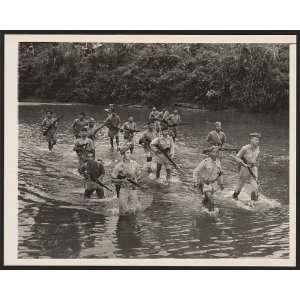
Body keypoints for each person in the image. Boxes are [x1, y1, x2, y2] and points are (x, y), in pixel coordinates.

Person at [111, 144, 142, 215]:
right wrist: (121, 180)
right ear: (123, 155)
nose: (129, 154)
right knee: (123, 212)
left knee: (133, 212)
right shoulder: (118, 166)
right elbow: (112, 180)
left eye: (130, 152)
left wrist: (136, 179)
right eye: (127, 153)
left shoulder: (135, 164)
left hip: (133, 189)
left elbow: (139, 175)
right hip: (123, 190)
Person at [193, 146, 224, 212]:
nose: (215, 153)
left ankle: (201, 207)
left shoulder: (218, 162)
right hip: (205, 184)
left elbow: (219, 174)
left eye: (216, 152)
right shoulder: (205, 162)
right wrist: (195, 181)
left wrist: (221, 183)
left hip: (213, 185)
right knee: (211, 201)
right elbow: (196, 171)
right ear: (210, 153)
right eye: (213, 152)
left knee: (207, 199)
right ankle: (212, 216)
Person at [232, 133, 261, 203]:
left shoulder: (258, 148)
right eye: (256, 140)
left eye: (258, 140)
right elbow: (237, 157)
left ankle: (253, 204)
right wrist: (242, 163)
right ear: (251, 140)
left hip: (253, 169)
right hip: (245, 169)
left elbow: (257, 158)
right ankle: (234, 199)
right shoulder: (245, 148)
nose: (258, 141)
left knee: (255, 187)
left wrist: (257, 163)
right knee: (239, 186)